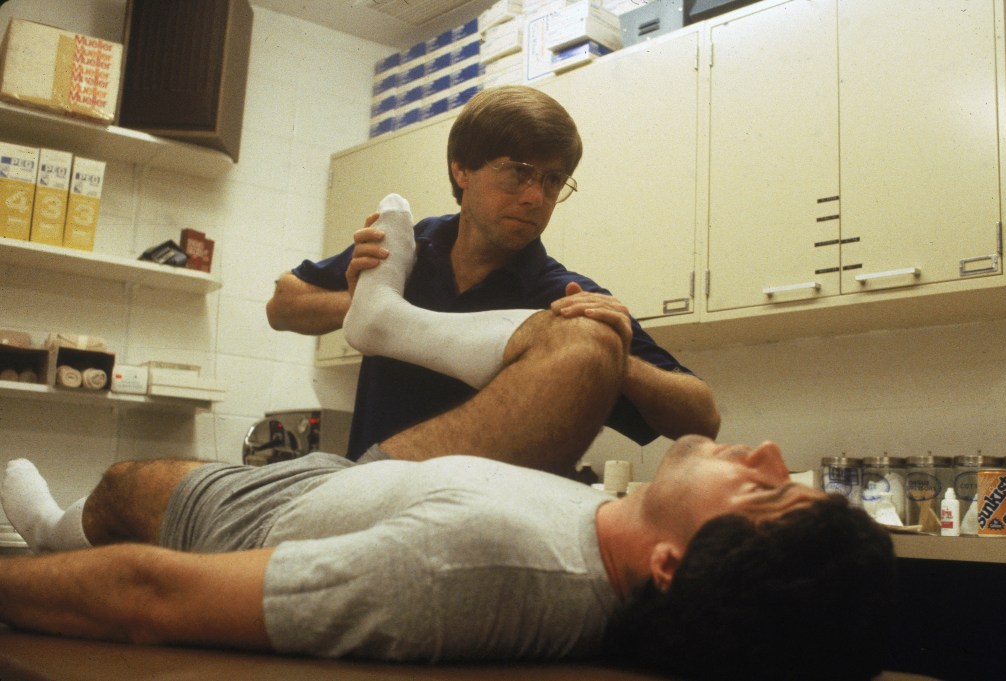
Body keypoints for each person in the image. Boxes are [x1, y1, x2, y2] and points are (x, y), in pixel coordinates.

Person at [0, 226, 896, 680]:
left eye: (767, 493)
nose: (773, 451)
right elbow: (282, 303)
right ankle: (393, 323)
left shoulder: (475, 567)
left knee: (121, 486)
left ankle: (46, 530)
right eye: (519, 173)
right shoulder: (607, 529)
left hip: (272, 515)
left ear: (671, 565)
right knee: (585, 343)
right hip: (386, 474)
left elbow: (150, 596)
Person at [266, 84, 720, 463]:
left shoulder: (563, 297)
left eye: (551, 181)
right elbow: (282, 305)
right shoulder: (408, 250)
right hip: (370, 500)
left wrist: (602, 354)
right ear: (461, 170)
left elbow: (702, 417)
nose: (534, 197)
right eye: (517, 174)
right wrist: (364, 300)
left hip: (482, 518)